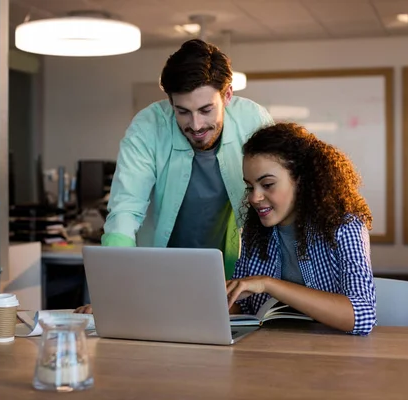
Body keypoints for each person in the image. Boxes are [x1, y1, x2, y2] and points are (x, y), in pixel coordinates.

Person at [75, 39, 273, 314]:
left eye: (206, 110)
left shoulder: (253, 120)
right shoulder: (147, 127)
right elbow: (125, 211)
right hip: (157, 270)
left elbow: (276, 200)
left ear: (227, 95)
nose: (196, 125)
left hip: (232, 271)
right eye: (183, 112)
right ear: (170, 103)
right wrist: (114, 292)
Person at [225, 122, 376, 335]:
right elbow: (245, 311)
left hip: (335, 357)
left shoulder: (345, 226)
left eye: (267, 185)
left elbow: (362, 316)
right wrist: (223, 301)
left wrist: (269, 284)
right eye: (250, 187)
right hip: (271, 355)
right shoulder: (254, 231)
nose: (254, 198)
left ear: (301, 180)